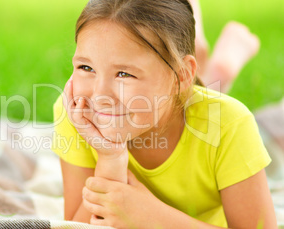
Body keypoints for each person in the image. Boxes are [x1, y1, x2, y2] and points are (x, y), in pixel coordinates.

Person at [51, 0, 277, 228]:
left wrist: (152, 216)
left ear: (182, 75)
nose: (99, 96)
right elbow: (76, 225)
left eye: (124, 74)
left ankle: (221, 65)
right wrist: (111, 158)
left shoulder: (230, 124)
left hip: (189, 97)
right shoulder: (77, 112)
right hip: (176, 88)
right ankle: (214, 64)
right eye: (86, 68)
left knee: (200, 104)